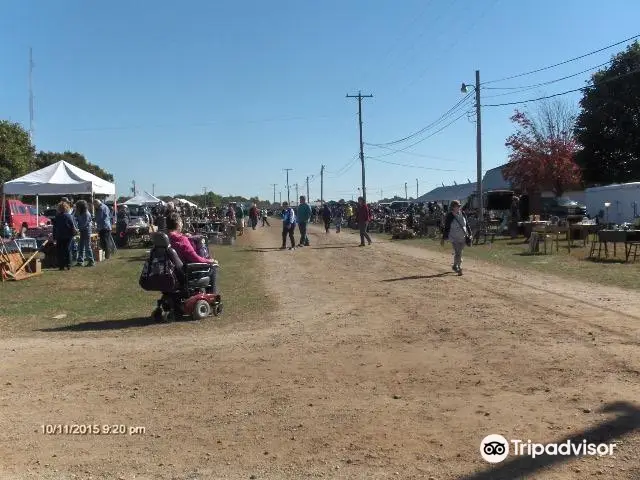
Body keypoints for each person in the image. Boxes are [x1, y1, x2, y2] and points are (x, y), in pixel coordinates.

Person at [166, 212, 219, 293]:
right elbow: (195, 258)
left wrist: (186, 237)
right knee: (213, 268)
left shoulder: (166, 239)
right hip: (186, 274)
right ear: (177, 224)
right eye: (181, 222)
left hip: (171, 273)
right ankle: (212, 298)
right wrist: (210, 261)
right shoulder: (181, 240)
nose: (182, 224)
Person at [441, 199, 471, 276]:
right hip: (454, 237)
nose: (459, 207)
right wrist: (444, 238)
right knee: (458, 252)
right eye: (457, 206)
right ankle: (458, 267)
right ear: (453, 207)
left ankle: (455, 265)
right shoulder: (450, 216)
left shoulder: (463, 213)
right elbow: (446, 227)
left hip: (463, 236)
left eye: (459, 206)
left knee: (460, 252)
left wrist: (470, 233)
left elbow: (467, 224)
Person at [52, 201, 77, 271]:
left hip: (60, 236)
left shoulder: (57, 217)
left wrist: (54, 238)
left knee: (60, 251)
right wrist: (73, 234)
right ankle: (68, 265)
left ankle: (61, 266)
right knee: (67, 250)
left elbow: (54, 228)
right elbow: (73, 226)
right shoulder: (69, 216)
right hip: (68, 236)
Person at [74, 200, 95, 266]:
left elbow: (83, 224)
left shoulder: (86, 214)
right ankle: (80, 261)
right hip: (82, 231)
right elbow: (76, 218)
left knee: (87, 247)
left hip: (86, 231)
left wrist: (77, 229)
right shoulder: (81, 213)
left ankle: (91, 261)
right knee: (81, 247)